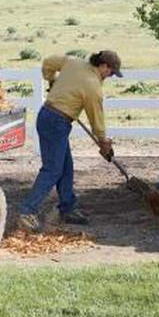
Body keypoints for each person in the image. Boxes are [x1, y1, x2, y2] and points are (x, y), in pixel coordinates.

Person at [18, 50, 122, 229]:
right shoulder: (93, 86)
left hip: (47, 116)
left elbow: (48, 61)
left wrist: (50, 79)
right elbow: (96, 118)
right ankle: (28, 212)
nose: (110, 76)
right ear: (103, 66)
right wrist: (104, 142)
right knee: (53, 170)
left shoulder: (73, 62)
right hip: (57, 122)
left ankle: (67, 208)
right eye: (111, 72)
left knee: (66, 167)